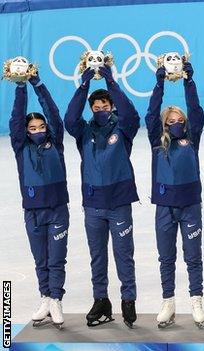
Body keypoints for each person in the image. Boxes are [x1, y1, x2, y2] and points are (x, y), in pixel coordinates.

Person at [64, 64, 140, 328]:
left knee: (124, 255)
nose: (100, 110)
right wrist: (83, 85)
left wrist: (111, 82)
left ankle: (128, 301)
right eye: (95, 107)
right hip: (94, 205)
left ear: (112, 106)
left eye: (104, 105)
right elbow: (69, 120)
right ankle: (101, 301)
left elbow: (131, 113)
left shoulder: (124, 129)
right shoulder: (84, 131)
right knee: (97, 256)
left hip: (119, 204)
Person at [146, 62, 204, 329]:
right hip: (164, 209)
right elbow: (150, 114)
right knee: (166, 257)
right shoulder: (157, 141)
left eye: (180, 121)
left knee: (193, 256)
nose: (176, 124)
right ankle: (168, 301)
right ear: (164, 125)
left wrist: (188, 81)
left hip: (191, 205)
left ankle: (196, 299)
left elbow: (196, 110)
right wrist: (159, 84)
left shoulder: (192, 138)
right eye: (171, 122)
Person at [9, 72, 69, 330]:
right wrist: (20, 87)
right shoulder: (20, 147)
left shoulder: (56, 142)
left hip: (57, 210)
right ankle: (45, 297)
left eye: (40, 127)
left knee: (56, 259)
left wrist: (36, 83)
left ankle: (56, 299)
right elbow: (15, 118)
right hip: (33, 212)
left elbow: (53, 113)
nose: (37, 131)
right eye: (32, 129)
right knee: (40, 259)